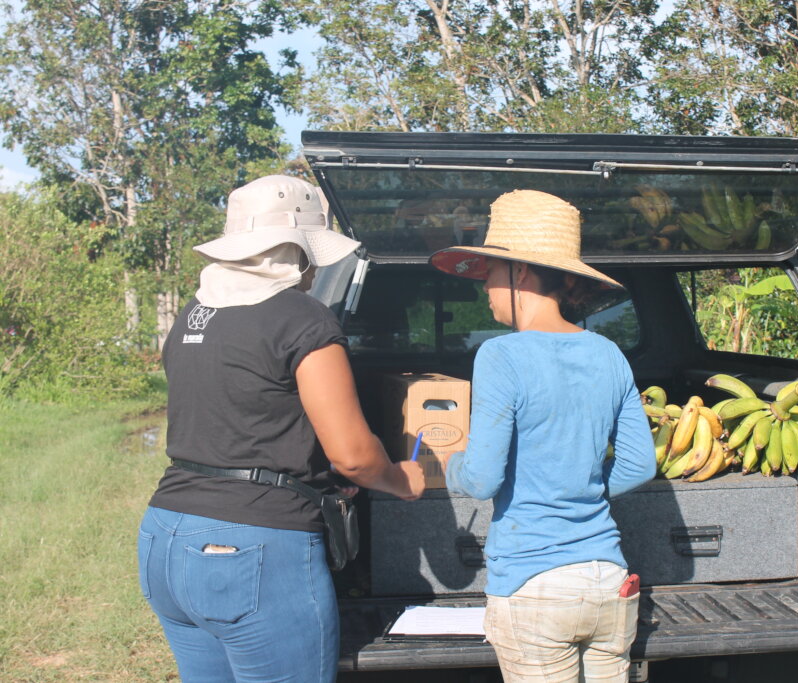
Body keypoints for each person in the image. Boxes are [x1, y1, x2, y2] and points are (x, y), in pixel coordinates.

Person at [138, 174, 425, 683]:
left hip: (165, 536)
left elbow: (235, 419)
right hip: (255, 550)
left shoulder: (193, 314)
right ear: (297, 251)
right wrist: (403, 479)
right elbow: (354, 456)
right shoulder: (302, 319)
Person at [429, 189, 656, 682]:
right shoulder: (609, 353)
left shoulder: (500, 356)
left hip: (534, 585)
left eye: (490, 273)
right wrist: (577, 486)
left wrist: (449, 463)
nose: (483, 288)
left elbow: (484, 478)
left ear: (521, 272)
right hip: (608, 582)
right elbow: (640, 464)